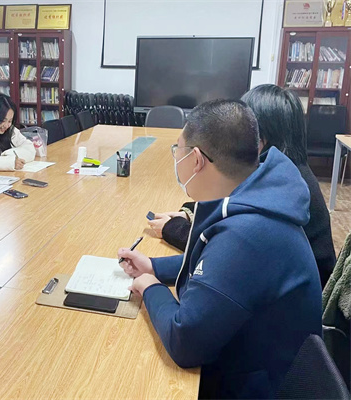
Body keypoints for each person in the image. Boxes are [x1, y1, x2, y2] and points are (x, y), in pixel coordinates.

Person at [119, 100, 322, 398]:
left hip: (255, 387)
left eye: (177, 150)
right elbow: (215, 264)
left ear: (196, 160)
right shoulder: (256, 193)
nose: (176, 158)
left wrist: (150, 287)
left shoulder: (247, 236)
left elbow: (184, 341)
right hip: (254, 362)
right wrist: (154, 266)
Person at [148, 85, 336, 287]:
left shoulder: (285, 189)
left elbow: (230, 247)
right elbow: (232, 201)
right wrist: (190, 213)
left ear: (259, 141)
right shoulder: (283, 172)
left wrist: (173, 228)